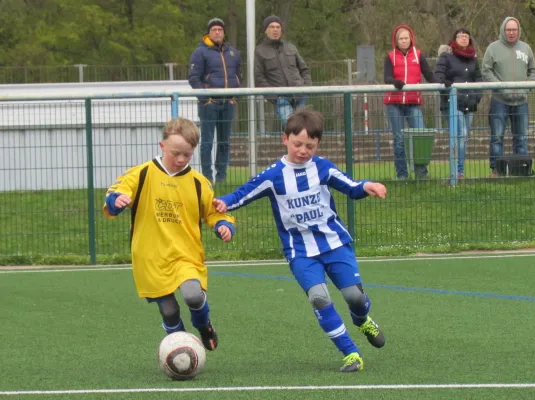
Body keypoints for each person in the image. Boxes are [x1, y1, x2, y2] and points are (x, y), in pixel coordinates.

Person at [212, 109, 387, 373]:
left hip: (334, 243)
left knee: (354, 297)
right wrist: (224, 202)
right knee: (319, 298)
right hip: (300, 251)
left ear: (317, 145)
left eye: (310, 146)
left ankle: (362, 319)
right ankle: (351, 353)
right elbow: (245, 192)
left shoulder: (323, 168)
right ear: (285, 139)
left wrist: (367, 186)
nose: (303, 150)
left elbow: (350, 185)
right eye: (298, 144)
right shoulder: (274, 175)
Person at [103, 117, 235, 351]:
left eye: (188, 154)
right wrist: (117, 200)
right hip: (150, 257)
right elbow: (116, 192)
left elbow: (214, 212)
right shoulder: (141, 174)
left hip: (185, 254)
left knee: (193, 295)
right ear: (162, 146)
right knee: (169, 310)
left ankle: (204, 325)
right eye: (176, 153)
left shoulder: (199, 183)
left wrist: (223, 224)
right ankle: (182, 349)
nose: (181, 159)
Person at [482, 17, 535, 176]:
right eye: (508, 30)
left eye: (514, 30)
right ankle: (496, 170)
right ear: (503, 30)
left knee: (521, 137)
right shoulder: (493, 48)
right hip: (499, 101)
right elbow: (486, 71)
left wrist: (526, 88)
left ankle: (520, 170)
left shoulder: (526, 48)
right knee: (497, 137)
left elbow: (533, 71)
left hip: (521, 102)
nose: (511, 33)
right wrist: (500, 88)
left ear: (518, 30)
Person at [188, 18, 242, 184]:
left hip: (228, 104)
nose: (217, 32)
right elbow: (193, 78)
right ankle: (206, 178)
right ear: (208, 33)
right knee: (207, 142)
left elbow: (239, 76)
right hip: (209, 105)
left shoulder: (233, 52)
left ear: (223, 32)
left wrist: (235, 97)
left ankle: (221, 178)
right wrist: (205, 98)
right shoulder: (200, 52)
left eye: (220, 29)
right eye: (214, 30)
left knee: (224, 142)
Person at [384, 24, 438, 180]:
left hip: (413, 103)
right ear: (396, 40)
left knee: (420, 136)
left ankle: (421, 174)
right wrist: (395, 82)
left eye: (406, 38)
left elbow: (429, 75)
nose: (403, 41)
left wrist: (442, 82)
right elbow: (386, 78)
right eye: (400, 38)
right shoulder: (390, 56)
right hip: (394, 104)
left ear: (411, 39)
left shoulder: (419, 55)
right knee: (399, 140)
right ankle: (402, 176)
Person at [434, 28, 483, 179]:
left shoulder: (474, 60)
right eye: (460, 36)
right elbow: (438, 76)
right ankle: (457, 172)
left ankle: (459, 172)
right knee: (460, 134)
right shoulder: (446, 56)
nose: (464, 38)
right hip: (452, 103)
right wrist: (446, 86)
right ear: (454, 39)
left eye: (466, 36)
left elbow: (479, 80)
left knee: (464, 137)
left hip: (470, 104)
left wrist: (476, 97)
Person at [255, 15, 312, 127]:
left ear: (281, 30)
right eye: (271, 27)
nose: (275, 29)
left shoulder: (291, 47)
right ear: (266, 30)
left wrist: (307, 88)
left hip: (300, 95)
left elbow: (304, 69)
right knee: (291, 127)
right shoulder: (260, 51)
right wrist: (274, 97)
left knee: (303, 129)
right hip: (281, 99)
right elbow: (259, 77)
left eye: (278, 27)